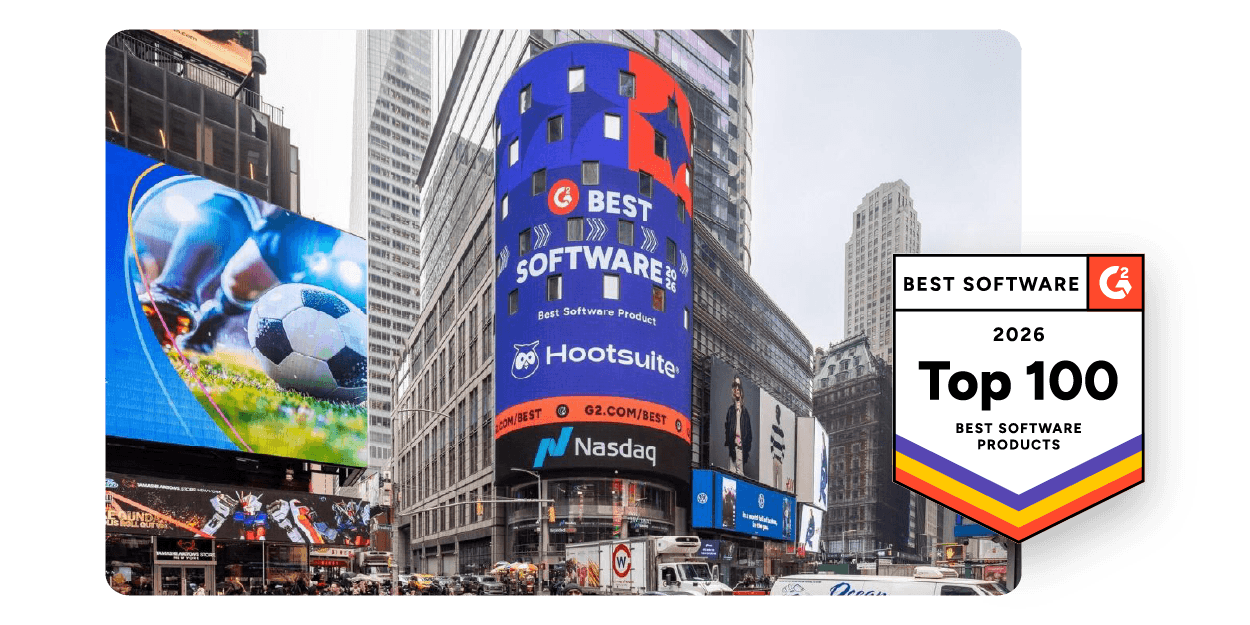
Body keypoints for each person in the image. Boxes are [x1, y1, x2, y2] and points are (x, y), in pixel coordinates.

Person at [724, 376, 753, 475]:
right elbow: (727, 428)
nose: (737, 389)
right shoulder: (731, 410)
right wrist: (730, 443)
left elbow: (749, 434)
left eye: (739, 386)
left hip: (741, 450)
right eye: (735, 386)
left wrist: (745, 449)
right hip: (733, 448)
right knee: (730, 477)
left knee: (740, 476)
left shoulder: (745, 413)